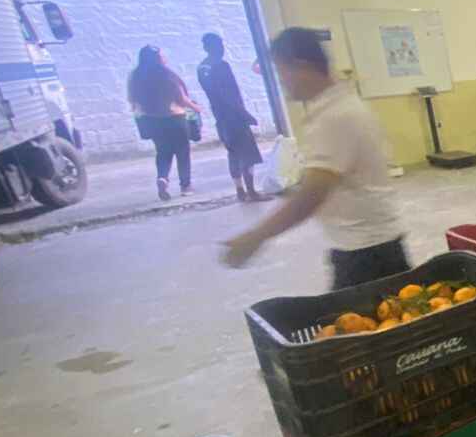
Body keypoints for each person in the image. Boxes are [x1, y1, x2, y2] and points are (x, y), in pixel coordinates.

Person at [221, 27, 408, 290]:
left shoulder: (336, 116)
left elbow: (313, 194)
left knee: (361, 326)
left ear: (301, 66)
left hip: (367, 253)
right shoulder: (339, 107)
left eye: (281, 70)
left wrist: (255, 237)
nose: (281, 80)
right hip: (368, 245)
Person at [197, 32, 264, 201]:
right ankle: (252, 191)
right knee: (247, 154)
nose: (222, 48)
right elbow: (228, 94)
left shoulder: (202, 68)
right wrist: (245, 114)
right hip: (234, 117)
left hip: (220, 117)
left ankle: (240, 190)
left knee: (233, 153)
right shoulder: (221, 66)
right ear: (209, 47)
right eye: (218, 45)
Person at [127, 45, 198, 200]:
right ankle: (185, 186)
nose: (165, 57)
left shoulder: (135, 76)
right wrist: (196, 108)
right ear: (158, 59)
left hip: (152, 121)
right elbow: (181, 99)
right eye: (162, 55)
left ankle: (163, 178)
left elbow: (132, 101)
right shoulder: (167, 75)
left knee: (163, 152)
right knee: (182, 152)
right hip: (175, 119)